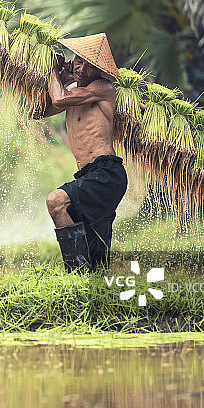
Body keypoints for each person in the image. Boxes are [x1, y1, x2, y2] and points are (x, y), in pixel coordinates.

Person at [29, 33, 127, 273]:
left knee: (56, 202)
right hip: (87, 174)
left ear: (99, 71)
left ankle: (75, 273)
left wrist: (53, 71)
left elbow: (60, 98)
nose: (81, 68)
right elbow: (37, 112)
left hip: (106, 172)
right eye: (78, 62)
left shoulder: (102, 88)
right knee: (97, 256)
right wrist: (61, 77)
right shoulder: (71, 90)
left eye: (89, 66)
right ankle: (89, 283)